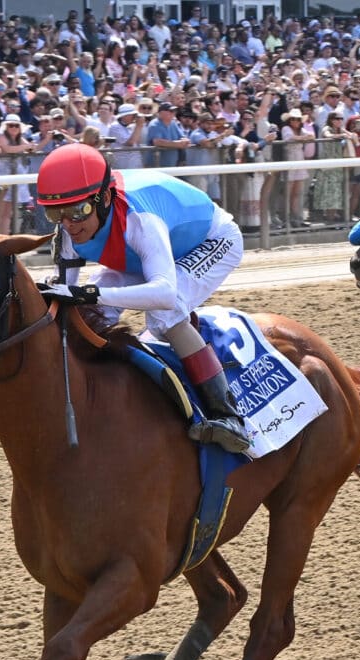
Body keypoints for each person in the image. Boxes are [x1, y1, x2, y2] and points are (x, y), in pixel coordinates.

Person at [35, 143, 252, 453]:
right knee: (89, 313)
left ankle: (228, 416)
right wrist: (76, 299)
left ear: (104, 199)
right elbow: (68, 303)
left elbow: (162, 293)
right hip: (141, 258)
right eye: (55, 213)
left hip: (212, 241)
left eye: (78, 211)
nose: (68, 223)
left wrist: (90, 292)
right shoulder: (68, 232)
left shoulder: (141, 222)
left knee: (165, 314)